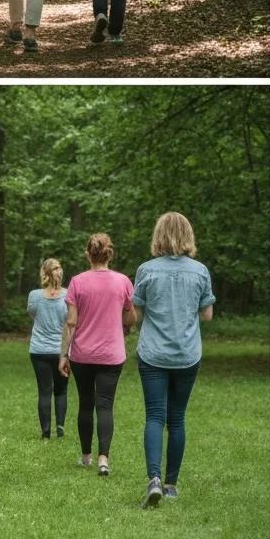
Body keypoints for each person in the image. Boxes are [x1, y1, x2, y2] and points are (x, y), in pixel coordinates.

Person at [132, 211, 216, 508]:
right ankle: (170, 485)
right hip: (187, 354)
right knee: (177, 419)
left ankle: (153, 478)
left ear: (158, 236)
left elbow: (137, 312)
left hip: (153, 352)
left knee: (154, 416)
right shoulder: (200, 271)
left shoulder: (146, 270)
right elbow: (207, 314)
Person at [59, 234, 135, 476]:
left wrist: (63, 354)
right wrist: (123, 322)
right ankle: (104, 459)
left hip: (82, 354)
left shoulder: (77, 282)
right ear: (109, 254)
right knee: (105, 405)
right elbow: (130, 317)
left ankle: (85, 456)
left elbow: (71, 322)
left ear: (87, 254)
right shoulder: (123, 282)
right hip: (112, 354)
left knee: (85, 403)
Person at [27, 257, 69, 438]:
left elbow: (32, 314)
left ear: (43, 273)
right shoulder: (69, 295)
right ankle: (60, 427)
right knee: (61, 390)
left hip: (39, 350)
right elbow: (72, 322)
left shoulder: (34, 295)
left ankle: (45, 431)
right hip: (62, 350)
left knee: (44, 390)